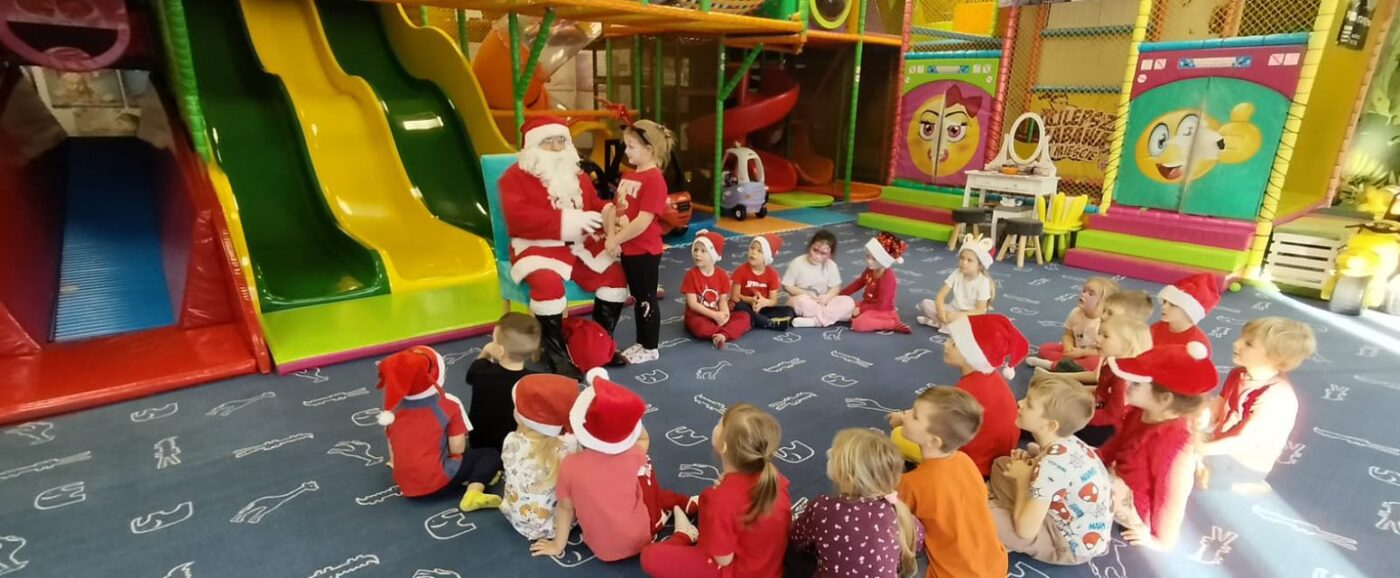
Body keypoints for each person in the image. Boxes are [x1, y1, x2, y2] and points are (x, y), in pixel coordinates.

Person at [498, 116, 628, 376]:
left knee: (614, 276)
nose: (557, 147)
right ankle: (555, 355)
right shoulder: (513, 177)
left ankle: (601, 343)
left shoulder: (576, 174)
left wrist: (610, 211)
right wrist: (570, 221)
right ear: (533, 146)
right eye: (549, 141)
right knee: (548, 285)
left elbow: (593, 203)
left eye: (561, 140)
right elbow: (519, 220)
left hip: (577, 245)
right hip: (536, 247)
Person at [531, 370, 693, 561]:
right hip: (643, 537)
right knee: (647, 482)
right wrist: (626, 416)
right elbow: (643, 438)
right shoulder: (636, 455)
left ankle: (678, 510)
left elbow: (566, 508)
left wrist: (557, 546)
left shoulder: (569, 465)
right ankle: (682, 519)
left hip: (603, 552)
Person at [641, 404, 791, 578]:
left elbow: (723, 560)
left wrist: (717, 504)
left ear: (724, 446)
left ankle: (684, 535)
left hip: (731, 571)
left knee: (649, 556)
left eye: (720, 423)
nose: (716, 425)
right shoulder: (775, 481)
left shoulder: (720, 499)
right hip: (769, 569)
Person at [1098, 342, 1217, 550]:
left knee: (1084, 483)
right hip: (1120, 478)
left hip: (1134, 504)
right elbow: (1115, 444)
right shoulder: (1141, 411)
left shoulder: (1175, 442)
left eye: (1137, 384)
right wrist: (1095, 461)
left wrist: (1160, 541)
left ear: (1165, 399)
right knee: (1077, 459)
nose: (1128, 385)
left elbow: (1172, 496)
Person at [989, 375, 1112, 565]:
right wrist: (1031, 463)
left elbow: (1025, 531)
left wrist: (1023, 479)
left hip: (1067, 543)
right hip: (1060, 512)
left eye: (1029, 404)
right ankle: (1015, 513)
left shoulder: (1051, 468)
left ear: (1050, 425)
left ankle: (1009, 518)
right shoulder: (1066, 440)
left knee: (986, 518)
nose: (1020, 403)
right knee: (1002, 464)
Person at [890, 314, 1026, 476]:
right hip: (1000, 451)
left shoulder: (964, 391)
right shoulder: (992, 377)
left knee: (898, 436)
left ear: (971, 354)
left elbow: (942, 434)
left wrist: (903, 420)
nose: (946, 344)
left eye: (954, 343)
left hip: (976, 463)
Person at [896, 387, 1008, 578]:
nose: (905, 414)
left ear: (933, 441)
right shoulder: (965, 461)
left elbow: (896, 522)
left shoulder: (911, 483)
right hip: (996, 565)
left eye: (914, 416)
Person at [1199, 317, 1316, 494]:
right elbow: (1219, 405)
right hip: (1221, 439)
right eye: (1242, 338)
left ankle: (1247, 485)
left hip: (1243, 461)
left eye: (1249, 344)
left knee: (1197, 479)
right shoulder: (1238, 373)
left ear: (1274, 358)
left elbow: (1242, 442)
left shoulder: (1276, 396)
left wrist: (1199, 448)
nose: (1236, 343)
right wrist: (1197, 422)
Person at [375, 346, 501, 510]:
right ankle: (473, 492)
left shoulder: (392, 410)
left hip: (406, 485)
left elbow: (392, 448)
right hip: (438, 481)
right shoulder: (448, 404)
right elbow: (458, 448)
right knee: (489, 454)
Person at [790, 428, 923, 578]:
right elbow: (917, 541)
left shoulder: (823, 507)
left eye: (833, 456)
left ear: (847, 476)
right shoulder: (898, 511)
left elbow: (797, 539)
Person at [606, 120, 676, 365]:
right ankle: (642, 341)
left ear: (649, 149)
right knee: (638, 298)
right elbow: (616, 208)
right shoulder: (629, 176)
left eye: (631, 146)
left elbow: (643, 221)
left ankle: (650, 347)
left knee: (646, 298)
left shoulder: (654, 180)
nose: (626, 151)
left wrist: (616, 239)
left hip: (644, 251)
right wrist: (612, 236)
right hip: (628, 249)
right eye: (626, 145)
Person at [500, 374, 580, 541]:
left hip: (516, 517)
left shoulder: (510, 439)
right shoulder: (569, 447)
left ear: (520, 417)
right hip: (552, 526)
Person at [1055, 317, 1155, 446]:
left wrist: (1080, 416)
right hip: (1100, 412)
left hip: (1110, 428)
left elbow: (1112, 415)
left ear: (1127, 344)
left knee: (1058, 422)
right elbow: (1101, 393)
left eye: (1105, 336)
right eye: (1099, 334)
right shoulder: (1111, 363)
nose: (1097, 338)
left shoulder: (1123, 379)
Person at [465, 312, 541, 453]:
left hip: (479, 441)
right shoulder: (534, 381)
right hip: (513, 446)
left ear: (500, 351)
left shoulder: (481, 370)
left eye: (493, 340)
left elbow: (470, 376)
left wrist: (486, 352)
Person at [1027, 277, 1119, 372]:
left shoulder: (1105, 322)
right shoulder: (1075, 313)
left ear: (1104, 303)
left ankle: (1053, 365)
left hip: (1093, 355)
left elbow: (1104, 351)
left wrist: (1083, 353)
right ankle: (1069, 366)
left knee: (1096, 362)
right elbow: (1068, 334)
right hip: (1075, 351)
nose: (1083, 294)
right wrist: (1068, 346)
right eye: (1084, 290)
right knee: (1045, 348)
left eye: (1090, 294)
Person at [683, 230, 750, 348]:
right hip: (698, 316)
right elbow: (692, 304)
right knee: (700, 327)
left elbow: (723, 300)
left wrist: (725, 315)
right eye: (695, 249)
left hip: (717, 314)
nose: (697, 254)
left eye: (703, 251)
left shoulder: (722, 274)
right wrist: (714, 315)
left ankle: (720, 334)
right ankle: (724, 333)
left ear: (713, 254)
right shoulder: (691, 275)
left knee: (745, 317)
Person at [916, 235, 994, 330]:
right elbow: (940, 296)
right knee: (925, 304)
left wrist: (957, 316)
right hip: (953, 310)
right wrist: (941, 311)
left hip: (970, 315)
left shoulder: (983, 282)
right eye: (962, 258)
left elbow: (979, 311)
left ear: (980, 265)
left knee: (974, 324)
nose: (964, 262)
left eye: (969, 260)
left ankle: (940, 324)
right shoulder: (957, 273)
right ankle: (947, 326)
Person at [784, 229, 856, 328]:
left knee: (848, 301)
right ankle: (828, 317)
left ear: (830, 255)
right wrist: (805, 293)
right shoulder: (797, 263)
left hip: (824, 302)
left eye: (823, 253)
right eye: (815, 250)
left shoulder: (831, 265)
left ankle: (815, 321)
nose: (817, 256)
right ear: (810, 246)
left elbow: (835, 287)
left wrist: (828, 296)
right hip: (803, 300)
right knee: (802, 302)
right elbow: (787, 286)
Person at [843, 232, 912, 333]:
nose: (869, 261)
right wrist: (841, 294)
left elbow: (882, 305)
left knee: (858, 324)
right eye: (868, 256)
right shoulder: (871, 269)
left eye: (874, 259)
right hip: (867, 304)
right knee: (845, 306)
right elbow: (858, 283)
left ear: (884, 261)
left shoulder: (888, 278)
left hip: (882, 310)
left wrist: (861, 309)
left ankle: (892, 323)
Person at [732, 234, 795, 331]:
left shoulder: (772, 274)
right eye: (752, 248)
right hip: (746, 305)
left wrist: (763, 302)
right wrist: (751, 300)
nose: (753, 252)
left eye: (759, 251)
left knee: (789, 311)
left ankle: (755, 320)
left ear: (766, 257)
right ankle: (767, 323)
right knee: (738, 305)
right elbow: (735, 296)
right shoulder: (741, 271)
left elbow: (773, 301)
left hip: (762, 308)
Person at [1152, 273, 1220, 354]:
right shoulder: (1157, 328)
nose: (1164, 307)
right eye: (1164, 301)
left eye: (1173, 304)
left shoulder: (1197, 345)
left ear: (1189, 311)